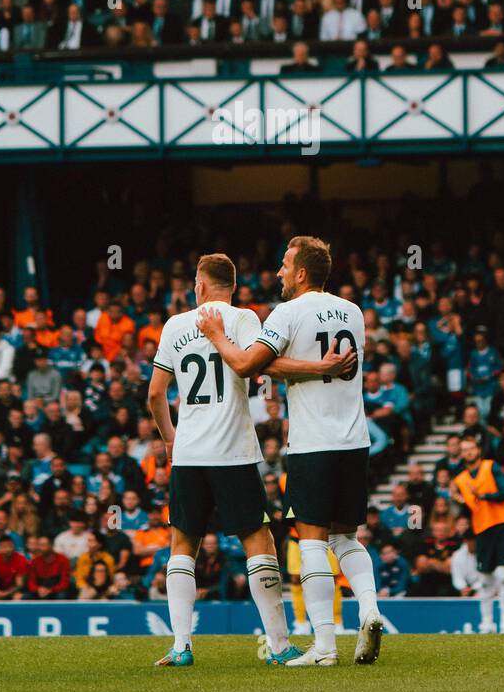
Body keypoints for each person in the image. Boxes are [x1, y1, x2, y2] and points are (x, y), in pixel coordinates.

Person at [148, 251, 352, 668]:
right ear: (233, 287)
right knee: (259, 542)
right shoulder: (244, 320)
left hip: (189, 453)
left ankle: (181, 646)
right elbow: (264, 366)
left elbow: (154, 394)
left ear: (200, 285)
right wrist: (320, 367)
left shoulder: (174, 326)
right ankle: (278, 647)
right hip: (233, 451)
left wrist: (170, 439)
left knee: (183, 543)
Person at [198, 235, 384, 667]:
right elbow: (319, 366)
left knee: (313, 541)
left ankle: (324, 646)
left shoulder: (288, 312)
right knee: (347, 536)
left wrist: (217, 335)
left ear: (302, 272)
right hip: (355, 441)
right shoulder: (353, 312)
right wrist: (312, 367)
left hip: (313, 444)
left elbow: (247, 364)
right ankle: (371, 610)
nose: (279, 272)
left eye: (285, 265)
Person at [451, 434, 504, 633]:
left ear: (478, 450)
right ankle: (487, 623)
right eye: (464, 449)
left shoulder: (491, 466)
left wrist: (485, 496)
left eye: (471, 448)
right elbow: (469, 506)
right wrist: (458, 500)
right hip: (482, 529)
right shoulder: (461, 479)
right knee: (486, 578)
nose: (468, 452)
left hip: (502, 523)